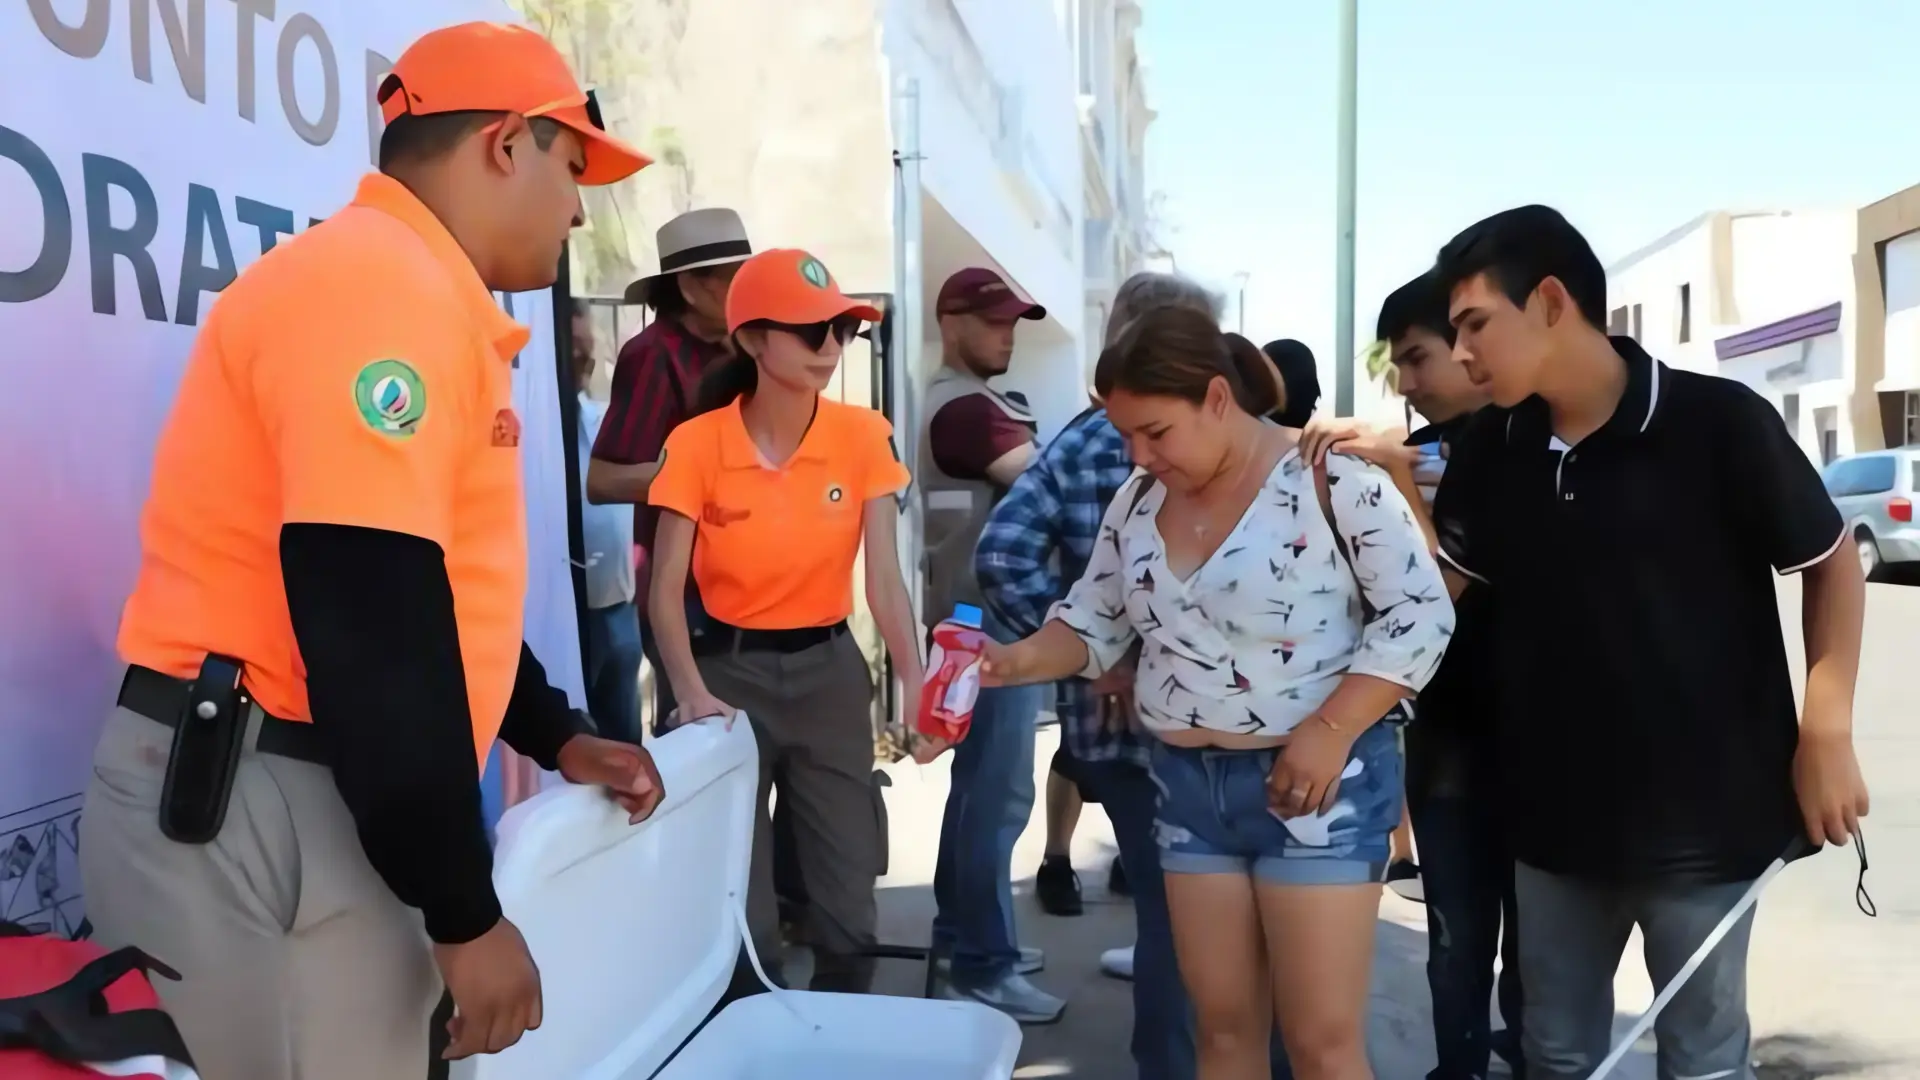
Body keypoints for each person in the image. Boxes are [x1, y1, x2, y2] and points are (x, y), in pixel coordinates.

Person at [79, 23, 665, 1080]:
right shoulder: (377, 288)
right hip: (258, 795)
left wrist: (552, 729)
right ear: (505, 142)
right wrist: (461, 906)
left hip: (317, 781)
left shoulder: (416, 294)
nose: (579, 208)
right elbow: (374, 611)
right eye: (572, 168)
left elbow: (428, 589)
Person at [1427, 205, 1870, 1080]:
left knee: (1702, 1057)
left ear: (1552, 301)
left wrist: (1824, 734)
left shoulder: (1720, 423)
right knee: (1554, 1052)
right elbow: (1437, 600)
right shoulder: (1493, 448)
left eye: (1475, 325)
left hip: (1707, 826)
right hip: (1550, 825)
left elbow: (1832, 564)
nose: (1462, 353)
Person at [984, 305, 1453, 1080]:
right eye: (1124, 434)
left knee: (1321, 1045)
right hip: (1189, 790)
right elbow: (1091, 620)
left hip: (1318, 795)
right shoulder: (1137, 503)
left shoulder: (1329, 477)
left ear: (1214, 397)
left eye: (1155, 432)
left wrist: (1332, 728)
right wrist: (1005, 664)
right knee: (1223, 1033)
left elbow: (1419, 613)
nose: (1138, 454)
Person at [977, 272, 1296, 1080]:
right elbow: (1007, 557)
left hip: (1163, 737)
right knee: (1217, 941)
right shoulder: (1125, 452)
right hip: (1173, 739)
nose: (1143, 456)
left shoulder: (1099, 443)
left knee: (1187, 933)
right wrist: (1105, 658)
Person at [646, 247, 924, 994]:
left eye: (841, 329)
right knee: (738, 893)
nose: (831, 347)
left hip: (830, 672)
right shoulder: (696, 444)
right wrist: (689, 691)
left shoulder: (864, 436)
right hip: (726, 676)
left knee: (846, 892)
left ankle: (844, 1034)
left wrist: (921, 691)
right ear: (751, 341)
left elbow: (886, 584)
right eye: (811, 331)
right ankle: (749, 1031)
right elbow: (664, 591)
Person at [1300, 270, 1519, 1079]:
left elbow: (1439, 593)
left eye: (1420, 357)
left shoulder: (1520, 445)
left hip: (1532, 735)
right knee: (1455, 935)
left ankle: (1525, 1055)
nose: (1408, 381)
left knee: (1534, 949)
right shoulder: (1428, 446)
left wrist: (1394, 473)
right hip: (1445, 730)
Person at [918, 266, 1063, 1022]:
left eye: (1014, 323)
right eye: (994, 321)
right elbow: (1047, 489)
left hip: (976, 626)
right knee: (996, 799)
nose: (1007, 335)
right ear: (952, 322)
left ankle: (965, 936)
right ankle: (984, 960)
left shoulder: (975, 403)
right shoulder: (969, 412)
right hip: (986, 630)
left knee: (980, 793)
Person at [587, 207, 754, 730]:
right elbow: (602, 480)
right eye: (734, 280)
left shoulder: (746, 348)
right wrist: (699, 480)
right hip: (685, 595)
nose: (746, 292)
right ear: (690, 287)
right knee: (707, 743)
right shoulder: (652, 356)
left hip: (751, 586)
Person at [573, 301, 644, 744]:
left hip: (617, 609)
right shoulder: (524, 431)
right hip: (561, 615)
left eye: (588, 347)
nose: (584, 358)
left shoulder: (604, 425)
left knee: (623, 745)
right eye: (573, 347)